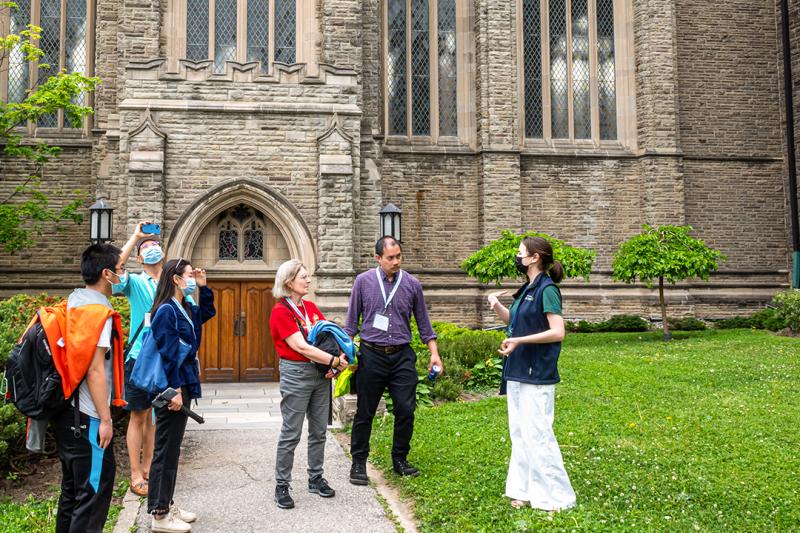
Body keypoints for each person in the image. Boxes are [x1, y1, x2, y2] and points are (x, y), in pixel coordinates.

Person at [487, 236, 576, 511]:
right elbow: (515, 322)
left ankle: (556, 498)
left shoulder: (547, 290)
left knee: (538, 433)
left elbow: (558, 331)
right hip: (516, 371)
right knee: (520, 433)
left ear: (535, 257)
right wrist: (496, 305)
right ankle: (523, 490)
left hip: (536, 373)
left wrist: (519, 341)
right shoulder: (527, 288)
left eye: (520, 253)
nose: (517, 257)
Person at [345, 236, 443, 485]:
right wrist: (343, 354)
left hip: (401, 356)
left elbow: (424, 323)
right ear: (378, 258)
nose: (396, 261)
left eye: (398, 256)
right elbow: (350, 325)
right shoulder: (363, 282)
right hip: (371, 355)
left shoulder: (412, 284)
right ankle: (358, 462)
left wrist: (434, 353)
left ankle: (400, 459)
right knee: (365, 412)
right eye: (390, 258)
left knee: (405, 410)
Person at [54, 243, 127, 532]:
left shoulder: (72, 303)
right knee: (93, 495)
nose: (123, 275)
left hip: (65, 414)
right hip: (87, 418)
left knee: (71, 493)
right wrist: (105, 420)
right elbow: (96, 370)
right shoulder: (97, 313)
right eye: (120, 270)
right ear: (106, 274)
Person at [269, 259, 349, 510]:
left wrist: (334, 363)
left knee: (319, 431)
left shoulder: (312, 307)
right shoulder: (280, 311)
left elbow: (328, 336)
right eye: (303, 276)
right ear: (289, 282)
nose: (309, 280)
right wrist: (334, 361)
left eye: (307, 276)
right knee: (291, 432)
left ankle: (315, 478)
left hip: (319, 373)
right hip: (296, 373)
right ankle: (282, 484)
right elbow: (301, 347)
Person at [147, 259, 215, 532]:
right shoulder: (166, 311)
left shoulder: (184, 307)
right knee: (164, 450)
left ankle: (167, 502)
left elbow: (207, 314)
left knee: (173, 449)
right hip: (171, 387)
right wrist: (173, 390)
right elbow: (168, 353)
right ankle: (159, 514)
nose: (191, 278)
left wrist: (203, 287)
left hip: (184, 384)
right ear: (175, 278)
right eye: (188, 275)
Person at [112, 221, 164, 497]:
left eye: (155, 244)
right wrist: (135, 236)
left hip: (164, 360)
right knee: (139, 415)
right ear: (139, 258)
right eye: (147, 247)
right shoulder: (133, 283)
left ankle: (149, 468)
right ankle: (135, 474)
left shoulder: (172, 282)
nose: (152, 248)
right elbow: (112, 271)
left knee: (156, 418)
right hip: (139, 358)